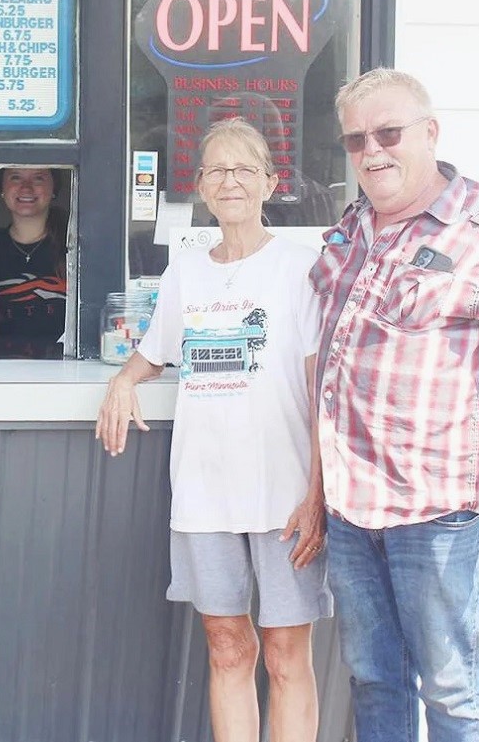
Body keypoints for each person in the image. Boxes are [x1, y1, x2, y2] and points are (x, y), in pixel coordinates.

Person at [312, 67, 479, 742]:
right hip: (351, 506)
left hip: (440, 513)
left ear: (430, 132)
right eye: (356, 140)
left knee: (451, 688)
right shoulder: (354, 227)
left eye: (389, 132)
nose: (373, 151)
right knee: (373, 678)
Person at [96, 118, 331, 742]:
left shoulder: (299, 269)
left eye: (245, 169)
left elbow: (319, 391)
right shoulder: (186, 272)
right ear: (200, 185)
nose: (231, 181)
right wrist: (123, 381)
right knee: (227, 648)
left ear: (271, 183)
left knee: (285, 656)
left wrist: (317, 493)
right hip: (205, 494)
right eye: (217, 170)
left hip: (284, 496)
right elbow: (155, 350)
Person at [0, 166, 68, 346]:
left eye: (38, 178)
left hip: (68, 370)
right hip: (4, 370)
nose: (26, 188)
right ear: (2, 189)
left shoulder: (74, 247)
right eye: (15, 177)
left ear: (54, 188)